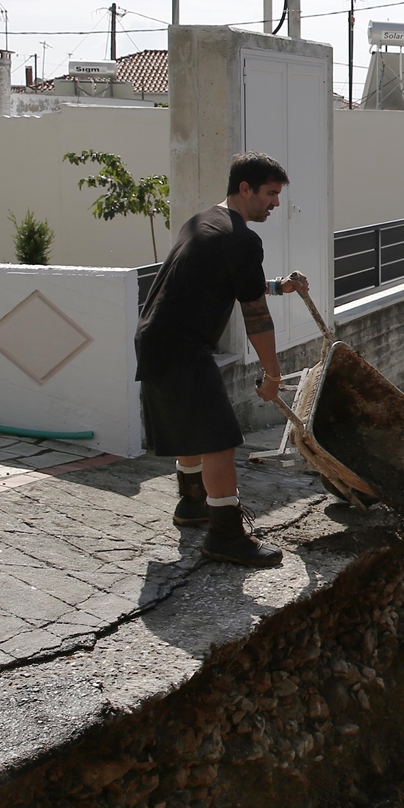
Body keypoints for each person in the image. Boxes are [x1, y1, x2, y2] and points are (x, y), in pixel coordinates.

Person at [135, 151, 308, 566]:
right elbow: (254, 315)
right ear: (244, 188)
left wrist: (276, 285)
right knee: (219, 439)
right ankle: (225, 535)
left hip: (154, 338)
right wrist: (273, 373)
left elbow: (226, 279)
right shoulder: (242, 238)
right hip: (181, 346)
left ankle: (192, 505)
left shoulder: (203, 222)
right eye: (270, 194)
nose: (275, 204)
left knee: (194, 428)